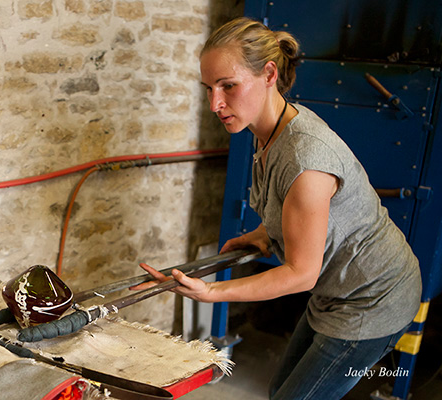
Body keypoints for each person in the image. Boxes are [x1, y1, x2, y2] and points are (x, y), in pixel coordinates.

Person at [133, 17, 422, 400]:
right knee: (280, 390)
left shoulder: (305, 157)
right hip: (335, 294)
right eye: (209, 88)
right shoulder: (267, 133)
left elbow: (301, 274)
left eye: (229, 86)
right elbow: (300, 214)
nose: (215, 104)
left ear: (269, 73)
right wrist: (264, 234)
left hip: (375, 298)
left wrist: (212, 292)